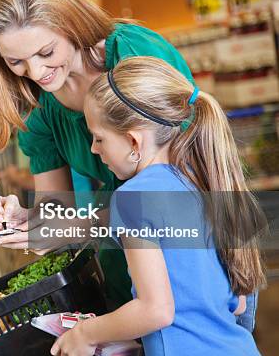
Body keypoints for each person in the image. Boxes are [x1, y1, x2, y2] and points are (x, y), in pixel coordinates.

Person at [0, 0, 194, 308]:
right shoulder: (38, 104)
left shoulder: (131, 55)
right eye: (15, 62)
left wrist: (75, 227)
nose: (36, 71)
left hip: (190, 256)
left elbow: (169, 199)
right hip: (124, 266)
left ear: (70, 23)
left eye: (46, 52)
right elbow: (58, 211)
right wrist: (25, 221)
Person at [51, 56, 265, 355]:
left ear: (134, 142)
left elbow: (155, 310)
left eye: (99, 138)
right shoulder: (197, 181)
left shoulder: (132, 198)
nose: (94, 149)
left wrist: (85, 333)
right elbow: (235, 303)